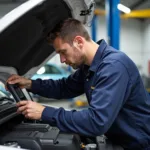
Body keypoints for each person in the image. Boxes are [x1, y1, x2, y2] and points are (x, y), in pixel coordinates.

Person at [6, 18, 150, 150]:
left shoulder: (113, 67)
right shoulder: (90, 66)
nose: (62, 60)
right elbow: (65, 87)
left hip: (139, 144)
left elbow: (96, 122)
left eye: (63, 52)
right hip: (120, 140)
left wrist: (43, 112)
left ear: (79, 42)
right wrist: (30, 84)